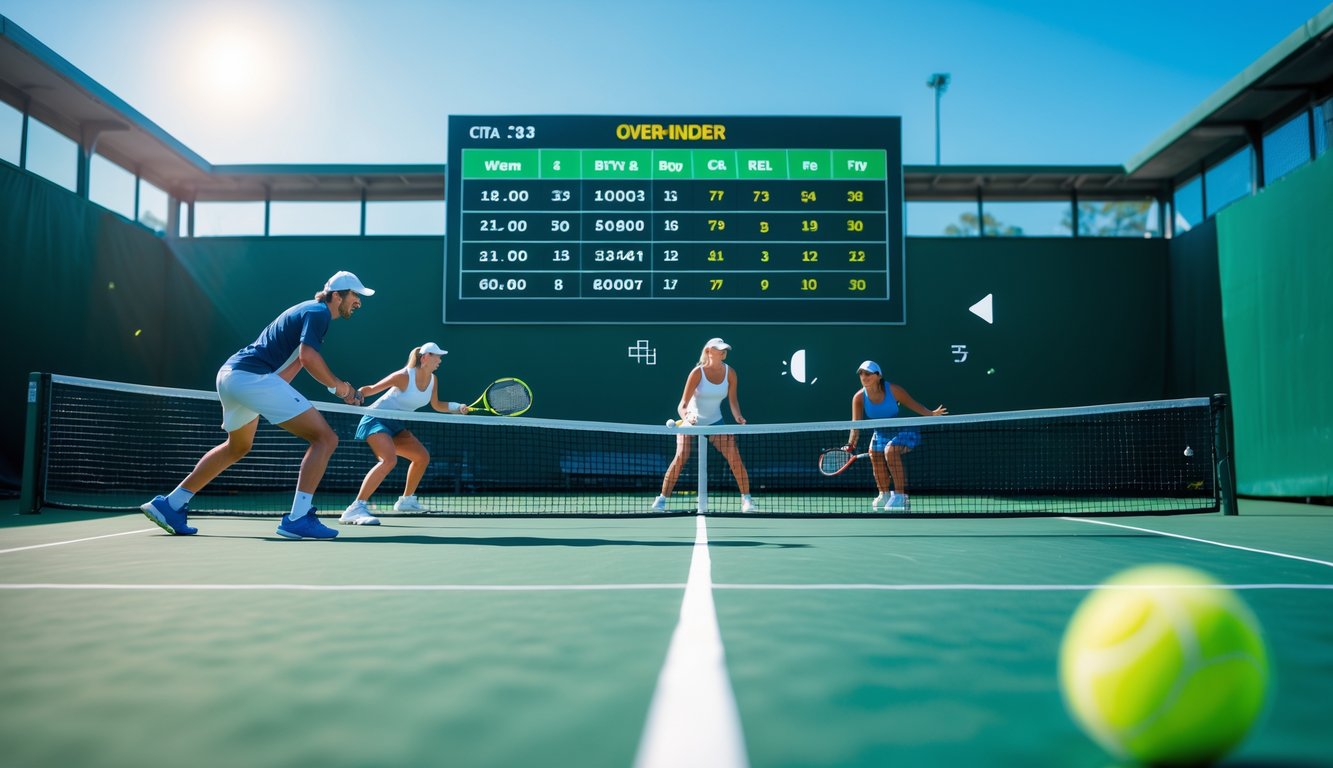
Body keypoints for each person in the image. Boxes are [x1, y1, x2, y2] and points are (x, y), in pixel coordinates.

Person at [139, 270, 375, 539]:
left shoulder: (306, 313)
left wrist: (341, 391)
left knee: (237, 446)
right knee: (325, 439)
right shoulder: (319, 312)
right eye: (355, 295)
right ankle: (298, 519)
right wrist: (340, 387)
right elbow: (308, 357)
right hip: (251, 379)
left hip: (231, 376)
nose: (358, 302)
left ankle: (171, 504)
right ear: (337, 296)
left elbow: (295, 363)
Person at [340, 342, 470, 525]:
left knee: (422, 457)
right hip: (376, 419)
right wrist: (357, 394)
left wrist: (458, 407)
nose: (440, 360)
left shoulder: (433, 380)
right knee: (389, 460)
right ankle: (355, 508)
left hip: (396, 424)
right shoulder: (403, 376)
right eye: (437, 356)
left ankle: (406, 501)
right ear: (425, 358)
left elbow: (437, 405)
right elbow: (371, 388)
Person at [652, 337, 757, 514]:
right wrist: (688, 416)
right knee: (681, 457)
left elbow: (733, 401)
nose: (723, 351)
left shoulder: (730, 373)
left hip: (715, 421)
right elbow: (682, 405)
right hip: (691, 422)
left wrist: (738, 416)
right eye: (719, 349)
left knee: (734, 457)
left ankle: (747, 499)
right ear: (709, 351)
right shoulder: (697, 373)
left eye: (724, 349)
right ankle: (661, 499)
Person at [843, 360, 947, 511]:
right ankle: (884, 494)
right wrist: (851, 444)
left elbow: (914, 404)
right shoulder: (858, 397)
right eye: (861, 374)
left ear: (878, 376)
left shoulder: (894, 390)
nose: (864, 377)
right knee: (874, 455)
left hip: (903, 429)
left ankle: (901, 496)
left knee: (890, 451)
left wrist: (931, 413)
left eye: (868, 374)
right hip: (880, 432)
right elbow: (856, 425)